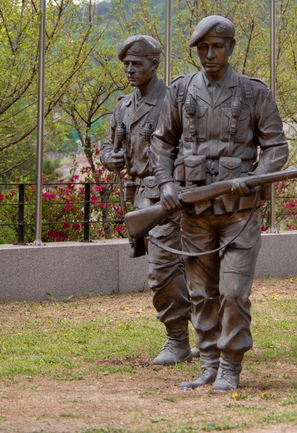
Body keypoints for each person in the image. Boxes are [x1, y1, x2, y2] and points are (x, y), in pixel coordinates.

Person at [151, 15, 288, 392]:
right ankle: (208, 361)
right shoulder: (180, 91)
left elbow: (276, 147)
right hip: (194, 213)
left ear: (231, 48)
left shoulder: (253, 92)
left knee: (233, 293)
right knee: (201, 293)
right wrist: (165, 183)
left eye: (218, 47)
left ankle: (230, 364)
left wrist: (256, 176)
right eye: (203, 48)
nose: (210, 55)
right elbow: (162, 142)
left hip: (239, 213)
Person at [100, 35, 192, 365]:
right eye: (125, 64)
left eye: (136, 63)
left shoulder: (173, 100)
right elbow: (108, 145)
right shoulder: (124, 105)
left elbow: (189, 147)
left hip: (168, 196)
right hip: (139, 195)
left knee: (163, 270)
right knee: (180, 269)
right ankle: (210, 333)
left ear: (154, 64)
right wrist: (109, 157)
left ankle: (178, 340)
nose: (129, 69)